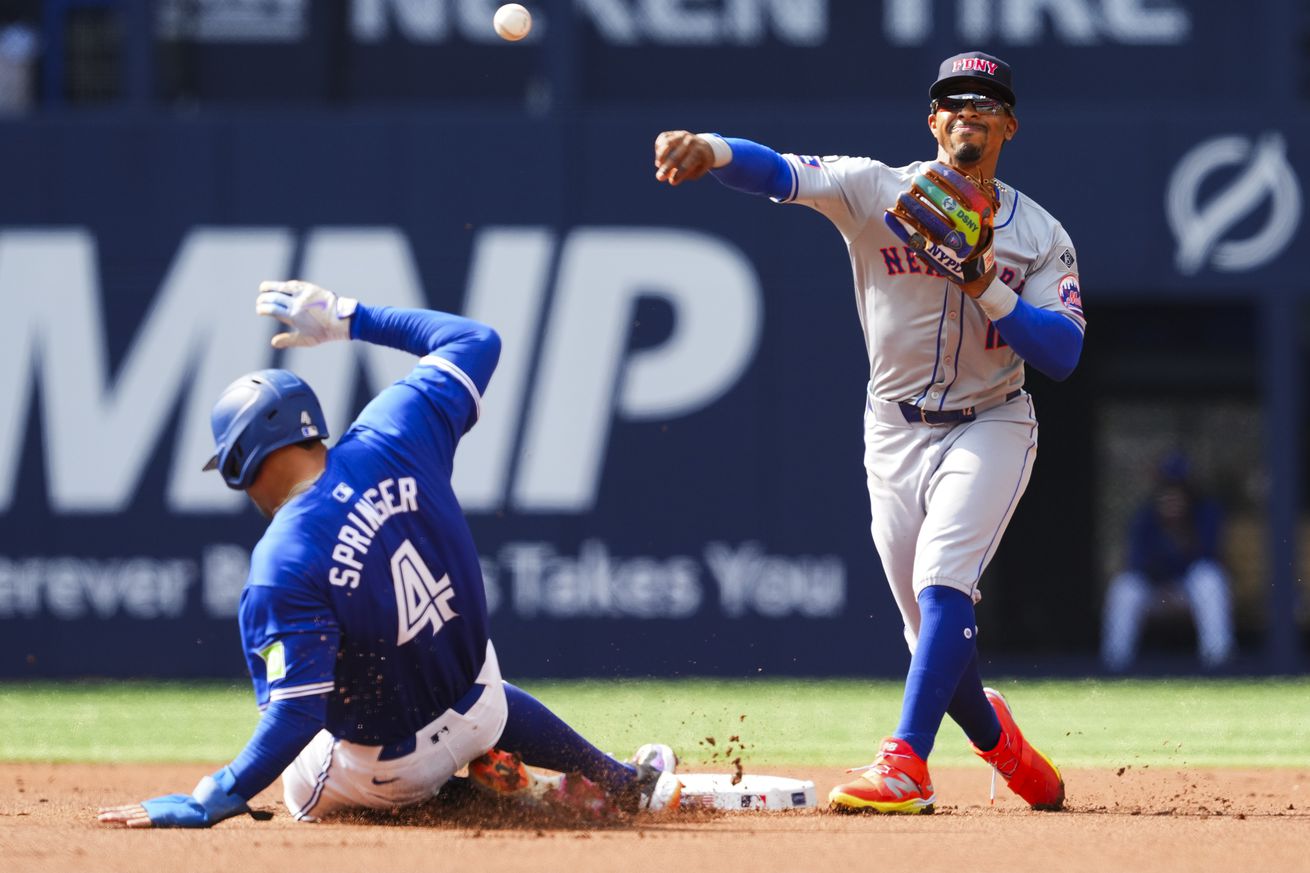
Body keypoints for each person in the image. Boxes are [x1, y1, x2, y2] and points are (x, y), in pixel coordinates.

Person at [652, 51, 1082, 814]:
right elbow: (779, 173)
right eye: (952, 99)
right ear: (932, 120)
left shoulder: (1040, 235)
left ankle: (904, 765)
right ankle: (1005, 745)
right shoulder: (876, 189)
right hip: (891, 430)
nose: (967, 111)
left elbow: (1062, 352)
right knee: (933, 647)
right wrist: (712, 148)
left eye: (985, 101)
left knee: (943, 583)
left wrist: (983, 280)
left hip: (991, 422)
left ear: (1009, 124)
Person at [98, 280, 681, 828]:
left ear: (242, 462)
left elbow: (296, 715)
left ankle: (491, 801)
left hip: (393, 769)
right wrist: (349, 318)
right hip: (480, 702)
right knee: (473, 680)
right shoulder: (394, 430)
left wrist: (211, 797)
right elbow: (476, 339)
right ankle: (623, 782)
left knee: (302, 790)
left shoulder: (282, 560)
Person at [1100, 452, 1235, 671]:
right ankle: (1115, 665)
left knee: (1210, 579)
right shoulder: (1146, 516)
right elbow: (1136, 562)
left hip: (1188, 591)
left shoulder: (1206, 513)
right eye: (1168, 487)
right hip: (1156, 591)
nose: (1173, 495)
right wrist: (1161, 584)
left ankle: (1217, 662)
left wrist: (1182, 533)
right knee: (1125, 588)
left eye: (1179, 488)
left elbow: (1210, 555)